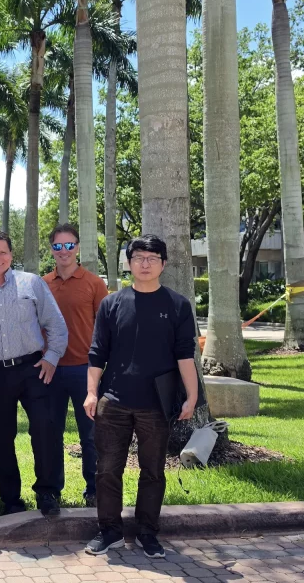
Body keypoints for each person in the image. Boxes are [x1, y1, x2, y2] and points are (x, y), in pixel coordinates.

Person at [84, 235, 198, 559]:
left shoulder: (177, 305)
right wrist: (92, 393)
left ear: (163, 263)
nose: (145, 264)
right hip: (114, 401)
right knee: (107, 470)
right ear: (129, 263)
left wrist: (191, 397)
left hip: (156, 405)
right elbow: (96, 354)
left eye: (152, 258)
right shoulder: (112, 303)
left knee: (153, 472)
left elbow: (185, 356)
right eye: (138, 258)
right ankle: (109, 531)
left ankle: (148, 532)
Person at [0, 231, 69, 517]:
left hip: (33, 369)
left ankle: (48, 492)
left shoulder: (31, 283)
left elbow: (56, 325)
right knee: (2, 438)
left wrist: (50, 358)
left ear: (11, 255)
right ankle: (10, 499)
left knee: (45, 431)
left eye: (2, 252)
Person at [43, 224, 109, 507]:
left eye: (69, 245)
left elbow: (106, 329)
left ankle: (94, 490)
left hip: (86, 371)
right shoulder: (42, 284)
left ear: (78, 248)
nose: (64, 251)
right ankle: (52, 491)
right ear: (51, 250)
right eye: (58, 246)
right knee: (50, 435)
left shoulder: (95, 284)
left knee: (91, 436)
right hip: (50, 371)